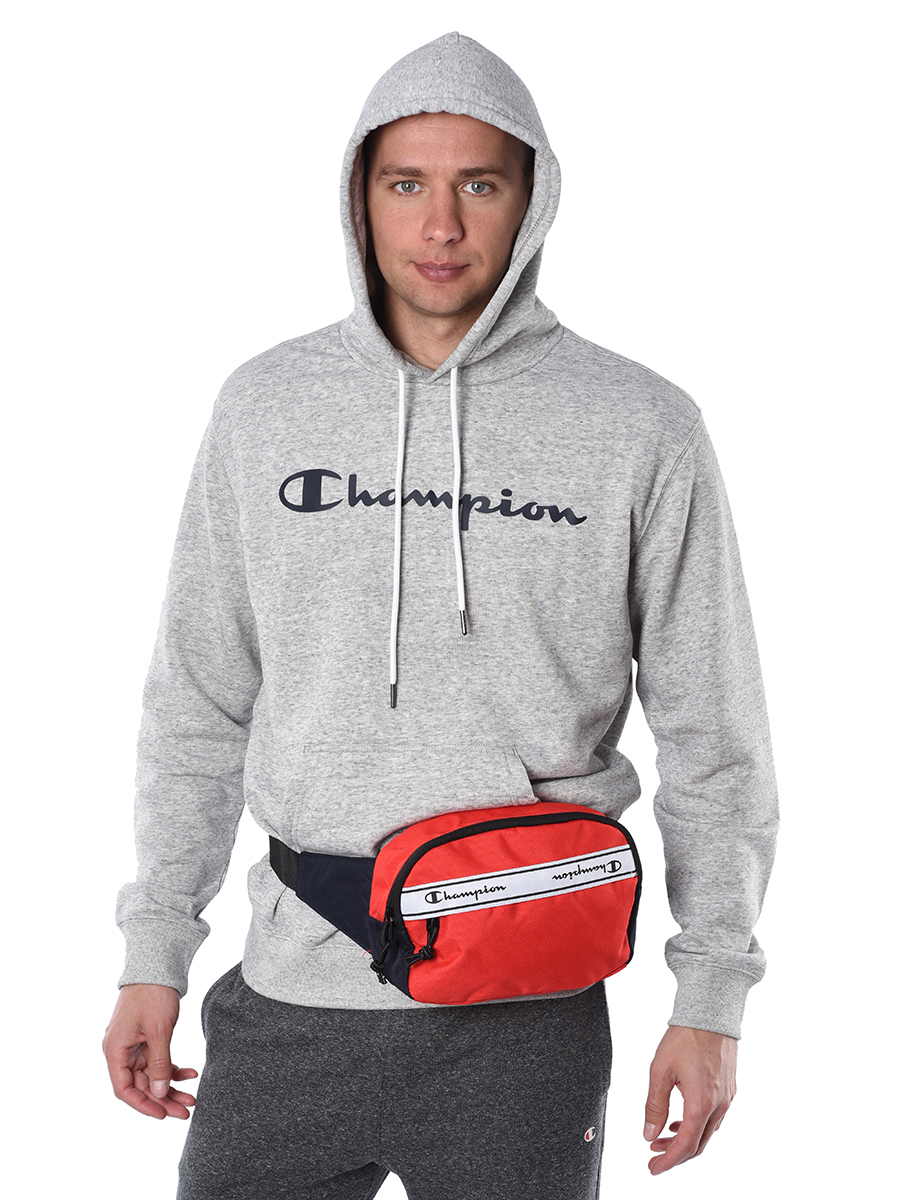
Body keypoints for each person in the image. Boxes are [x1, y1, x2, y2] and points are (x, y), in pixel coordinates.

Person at [103, 31, 778, 1199]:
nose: (442, 226)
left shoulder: (640, 425)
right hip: (290, 999)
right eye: (407, 183)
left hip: (524, 1020)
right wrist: (154, 949)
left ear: (534, 200)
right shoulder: (265, 407)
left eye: (480, 185)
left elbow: (715, 734)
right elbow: (199, 702)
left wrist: (711, 998)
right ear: (358, 198)